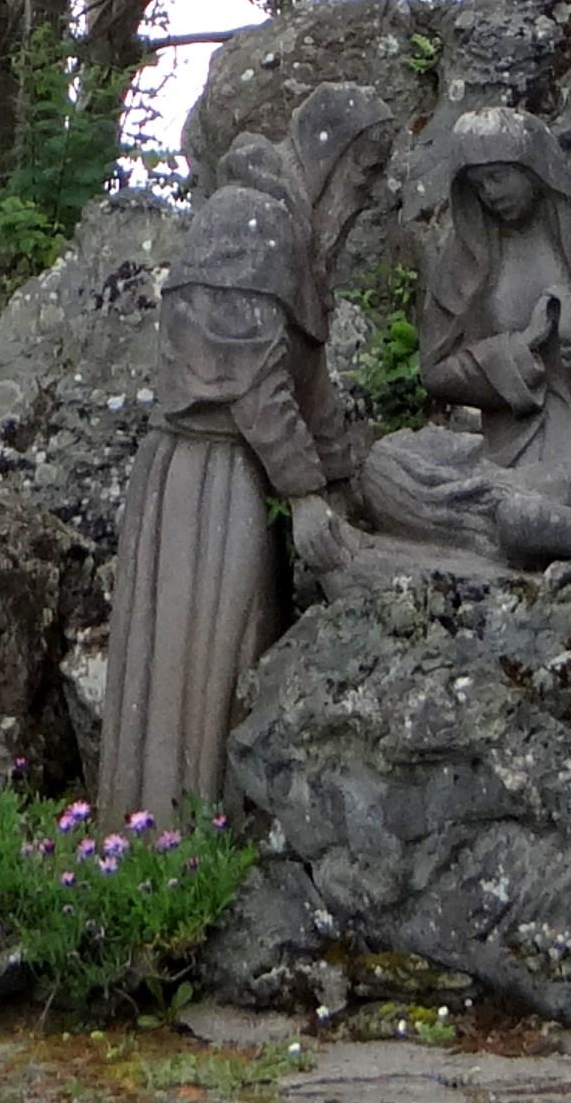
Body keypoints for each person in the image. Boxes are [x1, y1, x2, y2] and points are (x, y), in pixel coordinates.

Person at [96, 88, 389, 837]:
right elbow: (251, 376)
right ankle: (168, 842)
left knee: (233, 651)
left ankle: (200, 837)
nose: (370, 196)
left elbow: (309, 385)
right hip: (205, 477)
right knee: (202, 661)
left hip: (238, 475)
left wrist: (344, 487)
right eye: (365, 173)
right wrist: (309, 496)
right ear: (327, 160)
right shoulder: (246, 221)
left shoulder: (290, 233)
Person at [358, 108, 571, 554]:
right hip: (514, 452)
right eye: (479, 185)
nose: (491, 194)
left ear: (534, 170)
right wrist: (516, 352)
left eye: (499, 177)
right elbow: (435, 368)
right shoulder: (465, 261)